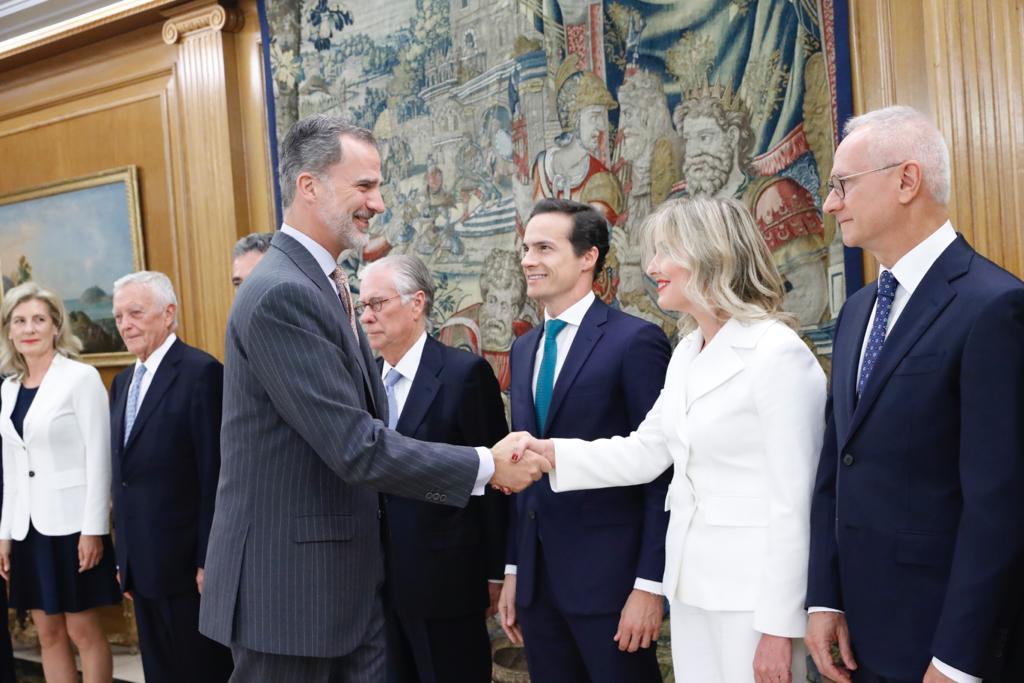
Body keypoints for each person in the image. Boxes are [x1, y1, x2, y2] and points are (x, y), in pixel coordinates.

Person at [198, 114, 547, 682]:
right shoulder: (282, 294)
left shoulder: (323, 284)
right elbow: (356, 447)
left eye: (378, 186)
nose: (378, 203)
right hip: (292, 598)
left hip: (341, 593)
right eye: (364, 186)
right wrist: (487, 466)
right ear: (310, 186)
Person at [510, 196, 826, 682]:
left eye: (663, 253)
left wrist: (781, 627)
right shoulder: (687, 352)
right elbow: (644, 452)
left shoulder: (777, 354)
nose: (651, 267)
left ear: (707, 254)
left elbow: (796, 502)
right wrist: (550, 454)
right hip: (692, 590)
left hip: (752, 602)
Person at [805, 105, 1024, 683]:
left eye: (842, 186)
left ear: (907, 180)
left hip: (942, 644)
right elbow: (838, 465)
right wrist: (825, 598)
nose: (830, 204)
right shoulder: (856, 311)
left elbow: (999, 505)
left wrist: (958, 657)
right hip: (861, 638)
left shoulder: (993, 306)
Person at [497, 198, 672, 683]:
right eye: (526, 247)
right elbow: (522, 465)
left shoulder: (636, 341)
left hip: (612, 589)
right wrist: (514, 568)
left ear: (587, 257)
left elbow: (662, 469)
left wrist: (649, 584)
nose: (528, 259)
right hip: (538, 588)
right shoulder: (525, 346)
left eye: (544, 247)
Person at [358, 254, 508, 683]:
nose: (367, 317)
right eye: (362, 306)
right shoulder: (363, 381)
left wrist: (496, 570)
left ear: (416, 303)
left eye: (378, 304)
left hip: (446, 584)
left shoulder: (464, 374)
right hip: (376, 589)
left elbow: (494, 480)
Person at [109, 271, 233, 683]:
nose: (125, 324)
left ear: (168, 314)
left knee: (200, 672)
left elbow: (214, 474)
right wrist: (123, 556)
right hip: (142, 566)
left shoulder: (201, 373)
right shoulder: (123, 382)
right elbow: (123, 477)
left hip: (188, 569)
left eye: (135, 313)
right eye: (119, 317)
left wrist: (207, 559)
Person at [0, 283, 121, 683]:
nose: (29, 328)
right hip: (28, 530)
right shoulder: (9, 388)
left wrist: (94, 530)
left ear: (56, 325)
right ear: (9, 330)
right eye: (19, 321)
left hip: (72, 528)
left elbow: (99, 458)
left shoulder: (80, 378)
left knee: (82, 631)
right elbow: (13, 468)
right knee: (48, 634)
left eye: (38, 319)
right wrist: (5, 536)